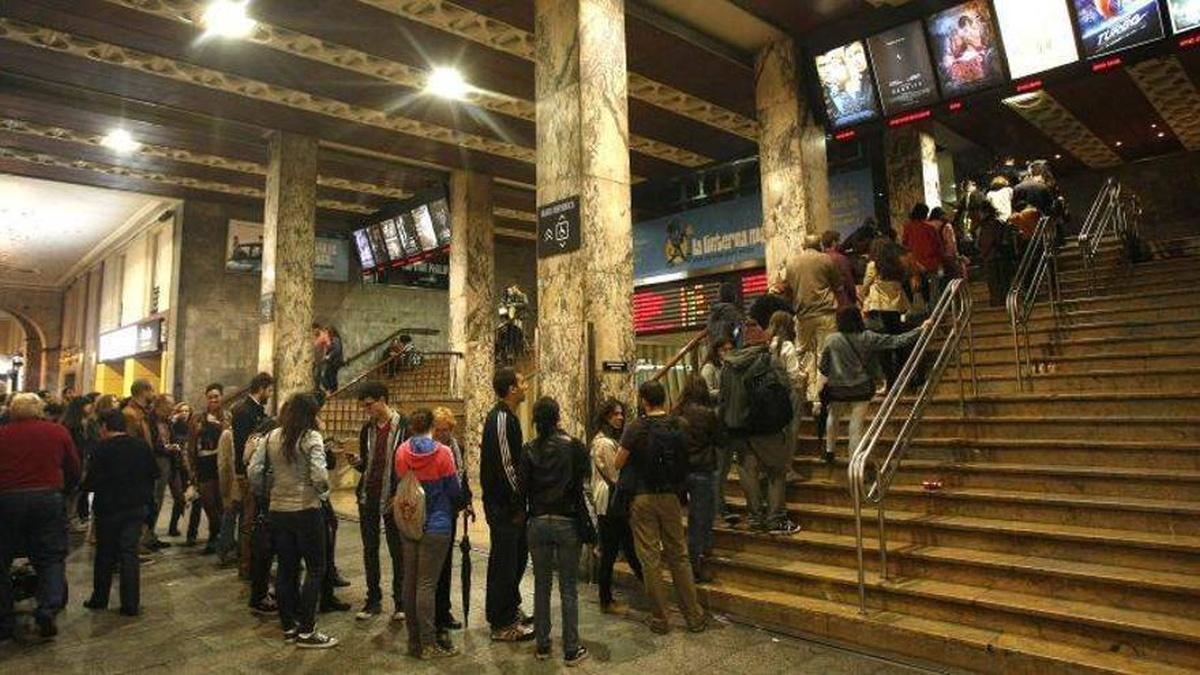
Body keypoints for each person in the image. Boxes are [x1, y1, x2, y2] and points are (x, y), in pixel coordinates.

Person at [614, 380, 708, 635]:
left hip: (643, 497)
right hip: (671, 496)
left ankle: (660, 619)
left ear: (644, 400)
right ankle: (694, 616)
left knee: (650, 558)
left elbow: (618, 462)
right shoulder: (679, 424)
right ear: (664, 398)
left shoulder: (636, 427)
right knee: (679, 555)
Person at [247, 393, 338, 649]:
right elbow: (319, 476)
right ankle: (307, 630)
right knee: (316, 568)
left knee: (287, 568)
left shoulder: (271, 437)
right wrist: (322, 493)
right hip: (306, 509)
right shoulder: (311, 438)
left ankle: (289, 626)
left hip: (278, 509)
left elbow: (254, 471)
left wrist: (269, 493)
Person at [0, 393, 80, 640]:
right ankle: (48, 607)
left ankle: (4, 616)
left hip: (7, 499)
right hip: (47, 498)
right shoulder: (57, 432)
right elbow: (73, 467)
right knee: (50, 557)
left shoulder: (3, 434)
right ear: (40, 410)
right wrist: (65, 491)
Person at [519, 397, 590, 666]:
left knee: (541, 584)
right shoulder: (574, 446)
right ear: (558, 416)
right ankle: (571, 649)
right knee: (569, 587)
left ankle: (543, 645)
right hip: (567, 521)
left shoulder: (528, 449)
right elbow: (583, 481)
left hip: (538, 522)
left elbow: (522, 488)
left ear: (535, 420)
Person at [394, 408, 462, 659]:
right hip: (437, 524)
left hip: (410, 522)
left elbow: (400, 483)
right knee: (426, 585)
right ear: (432, 426)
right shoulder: (443, 453)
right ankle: (429, 644)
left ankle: (414, 642)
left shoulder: (402, 451)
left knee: (409, 583)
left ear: (411, 427)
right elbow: (453, 490)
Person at [820, 308, 929, 463]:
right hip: (861, 387)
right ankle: (853, 460)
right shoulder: (867, 337)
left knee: (833, 416)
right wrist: (920, 329)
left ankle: (830, 451)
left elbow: (823, 366)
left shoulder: (831, 339)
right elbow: (897, 340)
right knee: (856, 424)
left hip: (837, 388)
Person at [82, 409, 157, 616]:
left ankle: (100, 598)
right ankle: (130, 603)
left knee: (105, 553)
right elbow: (153, 474)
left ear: (105, 426)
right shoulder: (141, 446)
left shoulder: (101, 448)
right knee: (129, 553)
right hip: (136, 506)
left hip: (108, 508)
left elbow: (91, 481)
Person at [480, 368, 534, 641]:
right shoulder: (500, 418)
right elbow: (506, 466)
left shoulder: (509, 417)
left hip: (511, 506)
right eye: (522, 382)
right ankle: (501, 623)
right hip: (504, 507)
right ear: (512, 389)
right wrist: (518, 501)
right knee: (504, 562)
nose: (526, 385)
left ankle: (510, 609)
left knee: (516, 558)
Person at [349, 381, 407, 622]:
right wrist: (358, 463)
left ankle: (401, 601)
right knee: (370, 549)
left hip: (393, 496)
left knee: (397, 550)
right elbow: (368, 462)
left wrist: (400, 492)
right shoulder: (368, 429)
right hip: (369, 495)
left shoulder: (404, 426)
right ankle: (373, 599)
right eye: (364, 406)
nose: (367, 410)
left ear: (383, 400)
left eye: (369, 405)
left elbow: (410, 464)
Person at [588, 398, 642, 614]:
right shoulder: (605, 443)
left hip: (611, 501)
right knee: (614, 550)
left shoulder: (606, 440)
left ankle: (649, 590)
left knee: (621, 549)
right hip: (611, 502)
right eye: (614, 414)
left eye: (621, 414)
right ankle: (606, 599)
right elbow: (614, 474)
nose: (619, 418)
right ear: (606, 417)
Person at [672, 377, 724, 582]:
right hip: (703, 469)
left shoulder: (676, 413)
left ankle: (687, 559)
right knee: (700, 518)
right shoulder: (708, 414)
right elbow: (720, 439)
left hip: (681, 471)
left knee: (682, 518)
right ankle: (695, 563)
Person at [786, 234, 842, 412]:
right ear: (819, 245)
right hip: (825, 313)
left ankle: (801, 393)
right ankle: (820, 397)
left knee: (801, 353)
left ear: (803, 246)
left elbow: (788, 289)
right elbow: (837, 285)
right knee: (824, 354)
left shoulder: (791, 263)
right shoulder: (826, 259)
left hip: (803, 315)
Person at [432, 406, 472, 641]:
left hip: (450, 512)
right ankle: (434, 616)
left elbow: (461, 477)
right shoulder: (429, 451)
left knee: (446, 563)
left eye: (445, 430)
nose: (441, 434)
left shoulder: (457, 449)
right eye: (437, 430)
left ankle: (444, 611)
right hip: (434, 514)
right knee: (435, 566)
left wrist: (467, 501)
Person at [233, 372, 273, 587]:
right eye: (269, 390)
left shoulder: (254, 410)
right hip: (248, 471)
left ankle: (253, 563)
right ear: (262, 388)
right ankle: (247, 566)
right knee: (249, 520)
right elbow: (245, 444)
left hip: (255, 471)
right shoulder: (244, 411)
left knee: (255, 518)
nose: (270, 394)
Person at [862, 238, 913, 391]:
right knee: (898, 342)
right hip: (896, 308)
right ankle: (904, 378)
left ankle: (889, 381)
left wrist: (864, 295)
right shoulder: (898, 265)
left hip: (879, 308)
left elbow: (866, 285)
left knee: (882, 345)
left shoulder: (873, 265)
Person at [187, 385, 228, 553]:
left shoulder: (227, 417)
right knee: (208, 502)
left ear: (221, 397)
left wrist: (218, 425)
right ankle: (214, 534)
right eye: (210, 397)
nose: (213, 400)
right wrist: (191, 468)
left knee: (221, 502)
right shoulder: (198, 418)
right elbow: (191, 444)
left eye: (216, 396)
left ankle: (220, 536)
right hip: (204, 462)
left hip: (221, 462)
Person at [62, 394, 98, 526]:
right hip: (75, 461)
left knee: (80, 492)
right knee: (72, 492)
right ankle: (69, 519)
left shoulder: (90, 423)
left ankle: (75, 517)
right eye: (87, 405)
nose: (90, 407)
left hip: (86, 461)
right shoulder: (71, 426)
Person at [901, 203, 945, 310]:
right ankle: (935, 311)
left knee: (918, 290)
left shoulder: (908, 228)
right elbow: (938, 246)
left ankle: (921, 310)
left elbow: (905, 246)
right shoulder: (929, 228)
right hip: (931, 263)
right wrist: (941, 261)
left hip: (915, 264)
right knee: (934, 290)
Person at [975, 201, 1019, 307]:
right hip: (1002, 256)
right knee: (1004, 281)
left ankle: (997, 302)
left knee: (994, 282)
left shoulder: (985, 226)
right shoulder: (999, 223)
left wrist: (983, 252)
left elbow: (984, 242)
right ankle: (1006, 302)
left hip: (991, 257)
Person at [821, 230, 858, 309]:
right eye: (839, 241)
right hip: (841, 301)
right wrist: (853, 299)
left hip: (825, 303)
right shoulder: (840, 259)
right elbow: (849, 281)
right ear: (834, 242)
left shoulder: (819, 260)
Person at [706, 280, 744, 348]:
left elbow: (710, 331)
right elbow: (737, 330)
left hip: (714, 349)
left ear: (719, 296)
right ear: (733, 296)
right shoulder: (733, 312)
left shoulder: (713, 313)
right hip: (730, 348)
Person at [323, 327, 345, 393]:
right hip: (332, 361)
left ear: (330, 332)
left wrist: (329, 356)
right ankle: (332, 391)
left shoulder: (335, 339)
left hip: (335, 361)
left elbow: (337, 350)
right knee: (328, 376)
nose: (325, 334)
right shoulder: (332, 340)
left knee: (331, 376)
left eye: (326, 332)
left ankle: (333, 391)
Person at [312, 323, 331, 392]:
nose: (314, 332)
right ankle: (317, 391)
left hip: (323, 360)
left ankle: (328, 390)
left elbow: (329, 346)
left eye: (315, 330)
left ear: (318, 329)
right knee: (315, 376)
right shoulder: (313, 337)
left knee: (322, 376)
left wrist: (326, 355)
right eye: (313, 331)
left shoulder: (324, 335)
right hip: (316, 360)